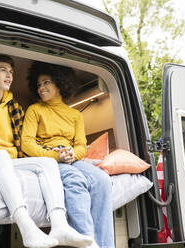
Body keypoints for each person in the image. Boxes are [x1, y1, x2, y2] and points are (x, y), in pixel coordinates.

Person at [0, 54, 93, 248]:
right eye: (3, 70)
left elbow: (24, 144)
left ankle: (60, 226)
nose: (9, 75)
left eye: (12, 72)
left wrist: (57, 154)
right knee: (0, 155)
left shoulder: (15, 108)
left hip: (9, 160)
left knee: (48, 163)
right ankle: (26, 228)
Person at [21, 62, 115, 248]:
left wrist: (73, 155)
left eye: (46, 82)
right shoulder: (35, 110)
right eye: (39, 84)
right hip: (48, 158)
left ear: (59, 84)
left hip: (70, 158)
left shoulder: (75, 115)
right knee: (74, 179)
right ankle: (88, 243)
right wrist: (56, 157)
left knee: (102, 180)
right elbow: (27, 144)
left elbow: (81, 145)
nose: (41, 88)